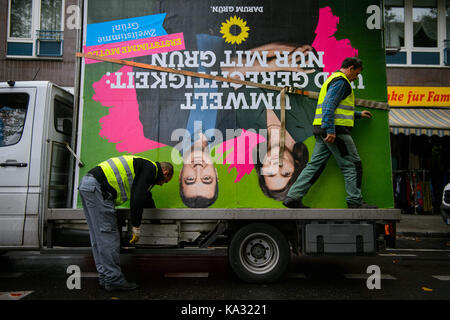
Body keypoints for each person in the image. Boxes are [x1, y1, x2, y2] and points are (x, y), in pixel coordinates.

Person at [283, 57, 377, 209]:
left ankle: (292, 198)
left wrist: (358, 114)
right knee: (352, 165)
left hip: (323, 130)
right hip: (336, 132)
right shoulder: (341, 82)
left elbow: (338, 108)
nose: (355, 78)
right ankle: (355, 202)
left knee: (314, 166)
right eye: (356, 74)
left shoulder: (333, 79)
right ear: (351, 68)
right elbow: (328, 106)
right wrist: (331, 130)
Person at [78, 155, 173, 291]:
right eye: (165, 181)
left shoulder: (145, 166)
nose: (162, 184)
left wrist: (155, 221)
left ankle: (106, 277)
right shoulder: (151, 169)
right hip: (98, 188)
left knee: (98, 237)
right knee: (108, 236)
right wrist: (136, 226)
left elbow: (146, 197)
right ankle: (113, 280)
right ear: (165, 173)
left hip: (88, 185)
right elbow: (137, 197)